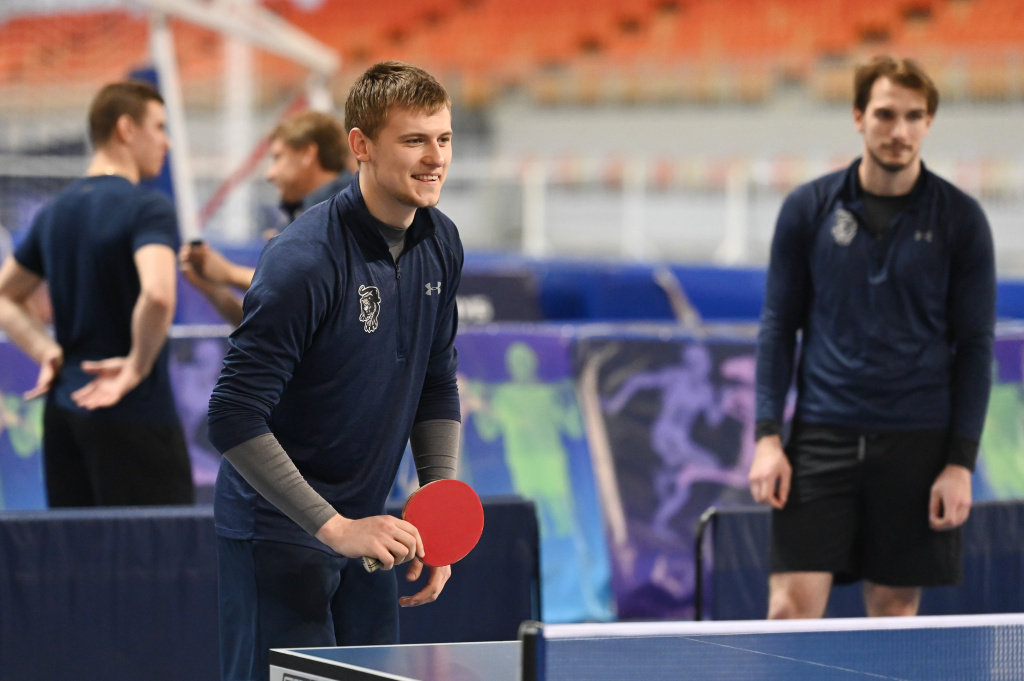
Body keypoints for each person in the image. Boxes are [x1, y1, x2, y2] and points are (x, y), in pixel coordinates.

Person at [206, 61, 462, 681]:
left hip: (370, 530)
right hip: (279, 531)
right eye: (414, 140)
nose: (435, 159)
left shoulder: (441, 242)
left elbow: (436, 382)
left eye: (444, 139)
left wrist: (438, 510)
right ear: (361, 146)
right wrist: (334, 527)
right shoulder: (304, 260)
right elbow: (233, 414)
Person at [748, 55, 996, 619]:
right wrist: (767, 437)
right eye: (885, 114)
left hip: (918, 443)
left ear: (929, 122)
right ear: (858, 117)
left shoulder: (962, 220)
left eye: (913, 116)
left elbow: (976, 348)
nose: (899, 131)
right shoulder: (808, 209)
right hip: (822, 435)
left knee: (893, 618)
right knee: (788, 611)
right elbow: (778, 327)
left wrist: (960, 464)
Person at [0, 81, 195, 507]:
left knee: (78, 545)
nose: (167, 142)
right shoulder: (148, 208)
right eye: (159, 127)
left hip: (65, 416)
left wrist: (46, 351)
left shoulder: (54, 212)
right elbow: (158, 294)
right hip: (134, 414)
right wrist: (136, 367)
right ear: (126, 128)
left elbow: (5, 295)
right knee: (160, 545)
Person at [179, 110, 357, 326]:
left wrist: (228, 273)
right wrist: (213, 287)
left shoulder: (346, 213)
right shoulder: (304, 220)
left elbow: (300, 287)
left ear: (307, 155)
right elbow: (266, 327)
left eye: (278, 157)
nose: (270, 174)